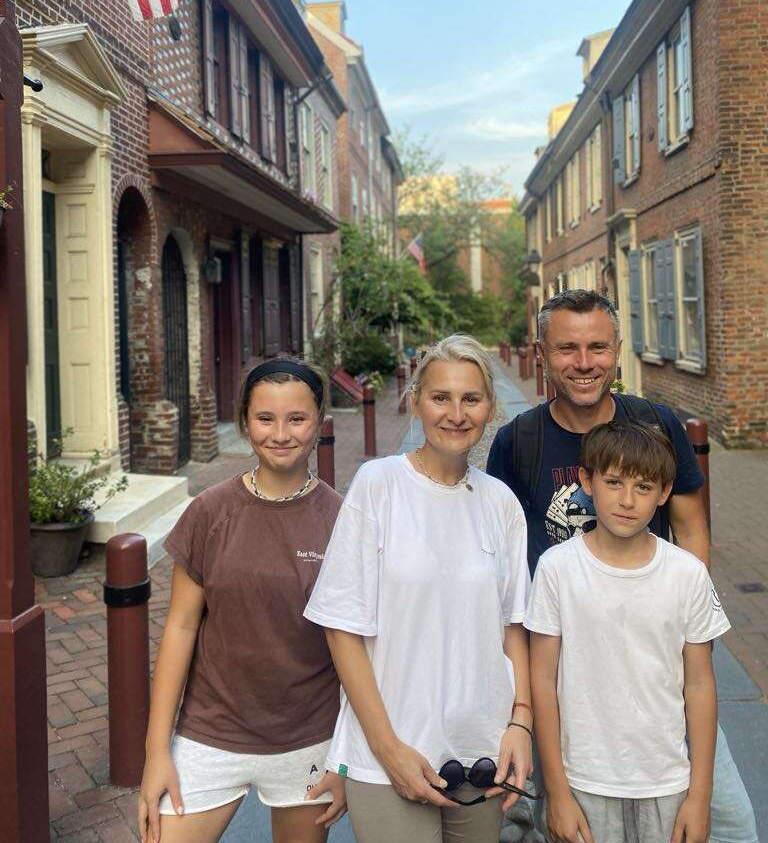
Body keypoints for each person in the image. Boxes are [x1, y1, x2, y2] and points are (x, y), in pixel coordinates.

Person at [487, 289, 757, 843]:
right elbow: (503, 562)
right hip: (564, 669)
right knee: (549, 819)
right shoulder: (520, 442)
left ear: (616, 349)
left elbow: (691, 525)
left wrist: (685, 619)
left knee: (726, 821)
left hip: (655, 665)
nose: (584, 363)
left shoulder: (654, 424)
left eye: (597, 347)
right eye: (567, 348)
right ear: (541, 354)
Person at [304, 334, 534, 843]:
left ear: (489, 406)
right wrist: (388, 749)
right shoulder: (378, 486)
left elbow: (513, 628)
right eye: (440, 397)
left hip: (482, 753)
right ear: (415, 401)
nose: (456, 413)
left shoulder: (501, 504)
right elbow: (341, 631)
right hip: (392, 755)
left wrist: (520, 723)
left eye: (470, 398)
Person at [137, 358, 346, 843]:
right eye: (265, 419)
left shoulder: (342, 520)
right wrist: (156, 752)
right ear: (244, 422)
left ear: (318, 422)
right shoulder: (209, 512)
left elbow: (354, 647)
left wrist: (345, 760)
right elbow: (181, 628)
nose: (281, 433)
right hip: (210, 731)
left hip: (307, 736)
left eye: (297, 419)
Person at [527, 420, 729, 843]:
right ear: (587, 480)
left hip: (668, 782)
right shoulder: (557, 570)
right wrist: (557, 791)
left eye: (643, 487)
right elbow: (542, 680)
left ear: (665, 492)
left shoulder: (687, 574)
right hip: (584, 780)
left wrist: (700, 795)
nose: (626, 500)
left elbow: (700, 684)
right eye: (614, 482)